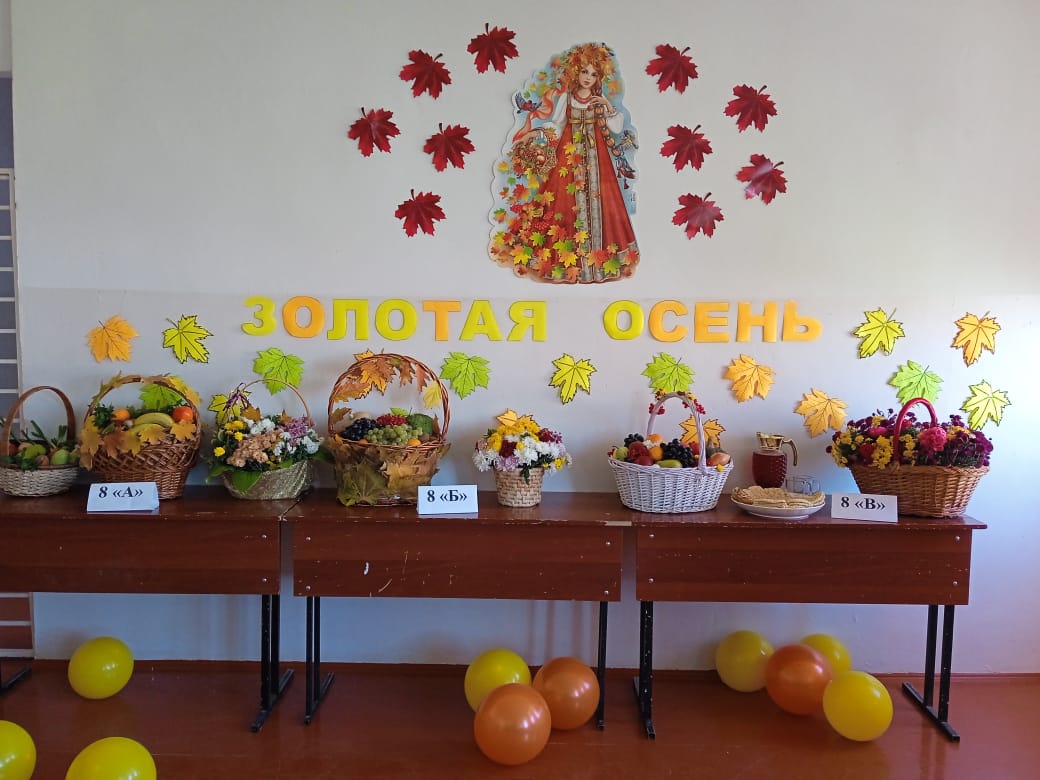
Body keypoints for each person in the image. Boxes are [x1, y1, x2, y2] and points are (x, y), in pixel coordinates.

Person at [489, 42, 640, 283]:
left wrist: (606, 105)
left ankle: (599, 262)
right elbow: (556, 126)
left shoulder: (598, 100)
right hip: (569, 162)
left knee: (603, 204)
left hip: (598, 163)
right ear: (576, 72)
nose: (588, 78)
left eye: (593, 74)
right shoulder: (567, 99)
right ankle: (566, 263)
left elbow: (616, 127)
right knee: (563, 206)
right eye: (584, 71)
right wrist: (536, 133)